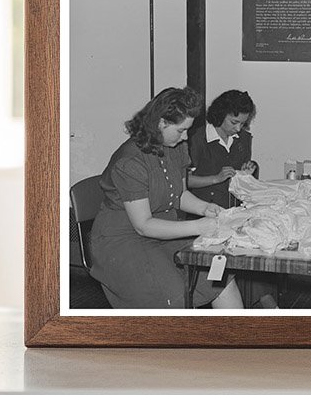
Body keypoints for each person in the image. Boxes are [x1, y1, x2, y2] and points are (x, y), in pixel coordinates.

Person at [88, 86, 244, 309]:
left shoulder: (175, 146)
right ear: (161, 123)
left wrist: (206, 208)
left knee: (219, 277)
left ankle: (242, 340)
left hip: (163, 231)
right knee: (174, 296)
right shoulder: (131, 162)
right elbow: (143, 226)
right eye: (181, 130)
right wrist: (199, 226)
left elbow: (179, 195)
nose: (186, 136)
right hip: (123, 240)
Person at [187, 89, 258, 209]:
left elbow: (241, 182)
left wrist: (246, 173)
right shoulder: (196, 139)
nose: (238, 129)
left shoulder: (243, 139)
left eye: (242, 124)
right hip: (202, 210)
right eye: (234, 122)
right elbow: (183, 181)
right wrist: (215, 179)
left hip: (234, 210)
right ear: (220, 114)